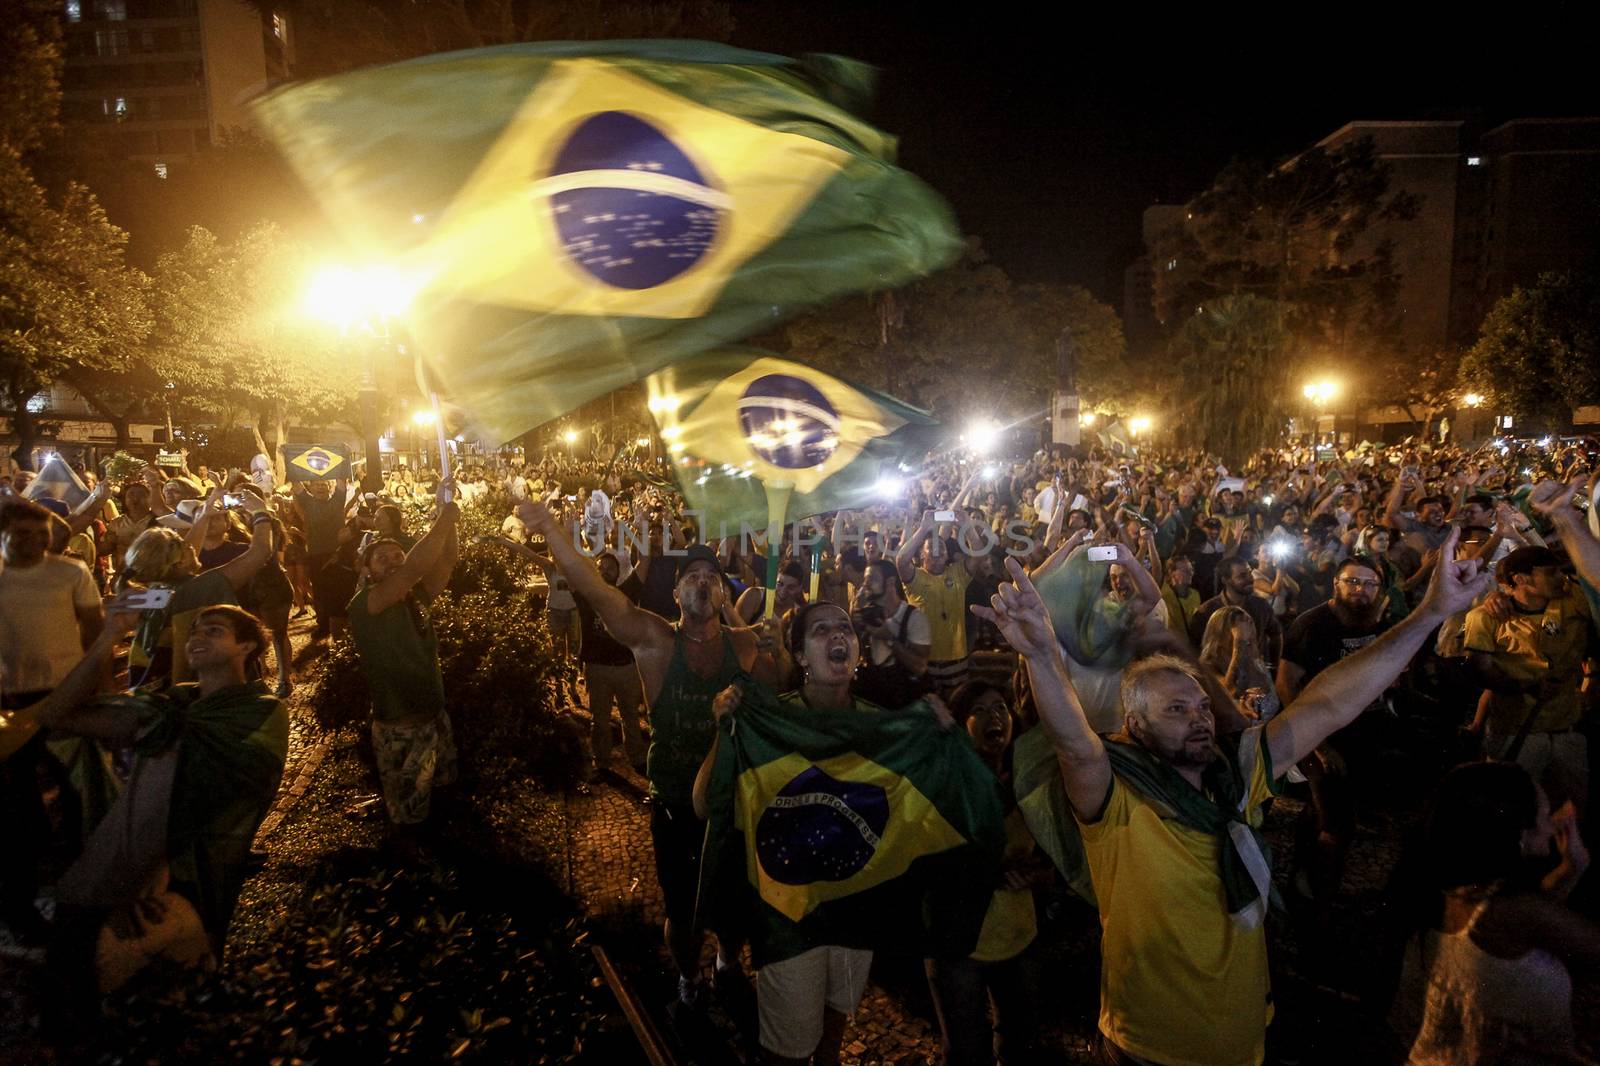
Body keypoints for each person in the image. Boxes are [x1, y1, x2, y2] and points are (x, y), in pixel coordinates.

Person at [973, 526, 1488, 1066]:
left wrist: (1428, 614)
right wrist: (1038, 655)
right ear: (1133, 727)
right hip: (1149, 1044)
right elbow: (1076, 747)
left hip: (1245, 1035)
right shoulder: (1116, 795)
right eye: (1175, 711)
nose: (1197, 721)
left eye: (1199, 707)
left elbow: (1331, 702)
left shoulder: (1237, 773)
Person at [519, 499, 788, 1011]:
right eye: (692, 576)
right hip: (674, 802)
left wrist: (778, 650)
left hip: (731, 801)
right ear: (675, 591)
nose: (704, 582)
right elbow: (594, 589)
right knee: (683, 909)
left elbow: (778, 691)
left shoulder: (747, 644)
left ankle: (729, 960)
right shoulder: (653, 639)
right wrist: (552, 529)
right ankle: (689, 976)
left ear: (724, 590)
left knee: (733, 905)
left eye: (713, 575)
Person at [6, 604, 285, 1000]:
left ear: (247, 646)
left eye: (215, 631)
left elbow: (238, 793)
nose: (198, 637)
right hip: (121, 866)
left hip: (184, 875)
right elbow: (56, 714)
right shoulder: (165, 707)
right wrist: (108, 636)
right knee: (86, 984)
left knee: (179, 992)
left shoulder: (261, 712)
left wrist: (152, 879)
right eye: (195, 631)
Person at [1393, 761, 1598, 1064]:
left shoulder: (1453, 890)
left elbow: (1519, 929)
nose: (1551, 823)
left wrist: (1570, 871)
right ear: (1517, 833)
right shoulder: (1514, 913)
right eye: (1543, 814)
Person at [0, 499, 106, 944]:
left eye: (41, 535)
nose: (35, 543)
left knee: (80, 790)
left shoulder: (71, 573)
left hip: (68, 697)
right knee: (16, 805)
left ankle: (89, 891)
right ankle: (20, 909)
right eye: (23, 534)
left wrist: (98, 687)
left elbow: (94, 630)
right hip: (9, 705)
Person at [924, 679, 1044, 1066]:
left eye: (1001, 708)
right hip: (958, 944)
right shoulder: (945, 782)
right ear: (960, 724)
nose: (995, 716)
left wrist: (1036, 874)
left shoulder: (1029, 783)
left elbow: (1057, 856)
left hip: (1018, 937)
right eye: (980, 710)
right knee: (966, 1049)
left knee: (1021, 1039)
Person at [346, 477, 460, 833]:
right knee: (409, 816)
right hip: (401, 727)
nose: (394, 561)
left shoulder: (414, 598)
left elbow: (447, 562)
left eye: (398, 554)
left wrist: (449, 517)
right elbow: (415, 568)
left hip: (435, 716)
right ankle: (412, 871)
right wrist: (443, 519)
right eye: (382, 558)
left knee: (443, 796)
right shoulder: (366, 604)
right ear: (366, 571)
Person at [1462, 544, 1594, 814]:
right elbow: (1478, 669)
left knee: (1574, 804)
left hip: (1567, 728)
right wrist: (1523, 687)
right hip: (1515, 729)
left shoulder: (1576, 601)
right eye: (1551, 573)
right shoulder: (1485, 618)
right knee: (1510, 805)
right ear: (1520, 579)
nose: (1561, 578)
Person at [120, 493, 275, 686]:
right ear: (180, 561)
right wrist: (261, 512)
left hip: (162, 689)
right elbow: (260, 551)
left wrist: (204, 515)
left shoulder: (153, 594)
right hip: (210, 687)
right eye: (185, 547)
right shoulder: (204, 586)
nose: (193, 547)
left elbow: (177, 555)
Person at [898, 510, 974, 696]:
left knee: (957, 705)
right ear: (922, 555)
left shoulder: (958, 573)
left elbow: (979, 555)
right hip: (923, 658)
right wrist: (924, 529)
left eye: (941, 546)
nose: (937, 549)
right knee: (926, 709)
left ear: (948, 554)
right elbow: (901, 560)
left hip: (956, 657)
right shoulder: (915, 577)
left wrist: (968, 527)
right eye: (930, 547)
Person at [850, 559, 932, 709]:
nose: (865, 585)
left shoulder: (914, 618)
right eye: (865, 579)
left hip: (904, 705)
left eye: (872, 579)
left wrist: (889, 639)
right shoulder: (868, 615)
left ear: (890, 582)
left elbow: (920, 667)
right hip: (874, 702)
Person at [1188, 556, 1282, 669]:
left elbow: (1276, 636)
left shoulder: (1261, 606)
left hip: (1255, 676)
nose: (1250, 579)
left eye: (1249, 573)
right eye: (1242, 576)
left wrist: (1272, 668)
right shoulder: (1206, 612)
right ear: (1225, 580)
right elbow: (1196, 652)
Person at [292, 477, 350, 641]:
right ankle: (323, 625)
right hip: (316, 555)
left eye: (324, 484)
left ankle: (343, 626)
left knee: (340, 590)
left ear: (329, 487)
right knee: (320, 592)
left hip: (337, 554)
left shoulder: (338, 500)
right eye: (317, 484)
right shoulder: (307, 502)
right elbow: (296, 483)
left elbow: (341, 481)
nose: (320, 487)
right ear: (311, 488)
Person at [1159, 555, 1201, 651]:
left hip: (1189, 647)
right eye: (1185, 571)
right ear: (1172, 573)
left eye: (1191, 570)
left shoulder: (1195, 595)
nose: (1190, 573)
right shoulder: (1163, 595)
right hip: (1171, 648)